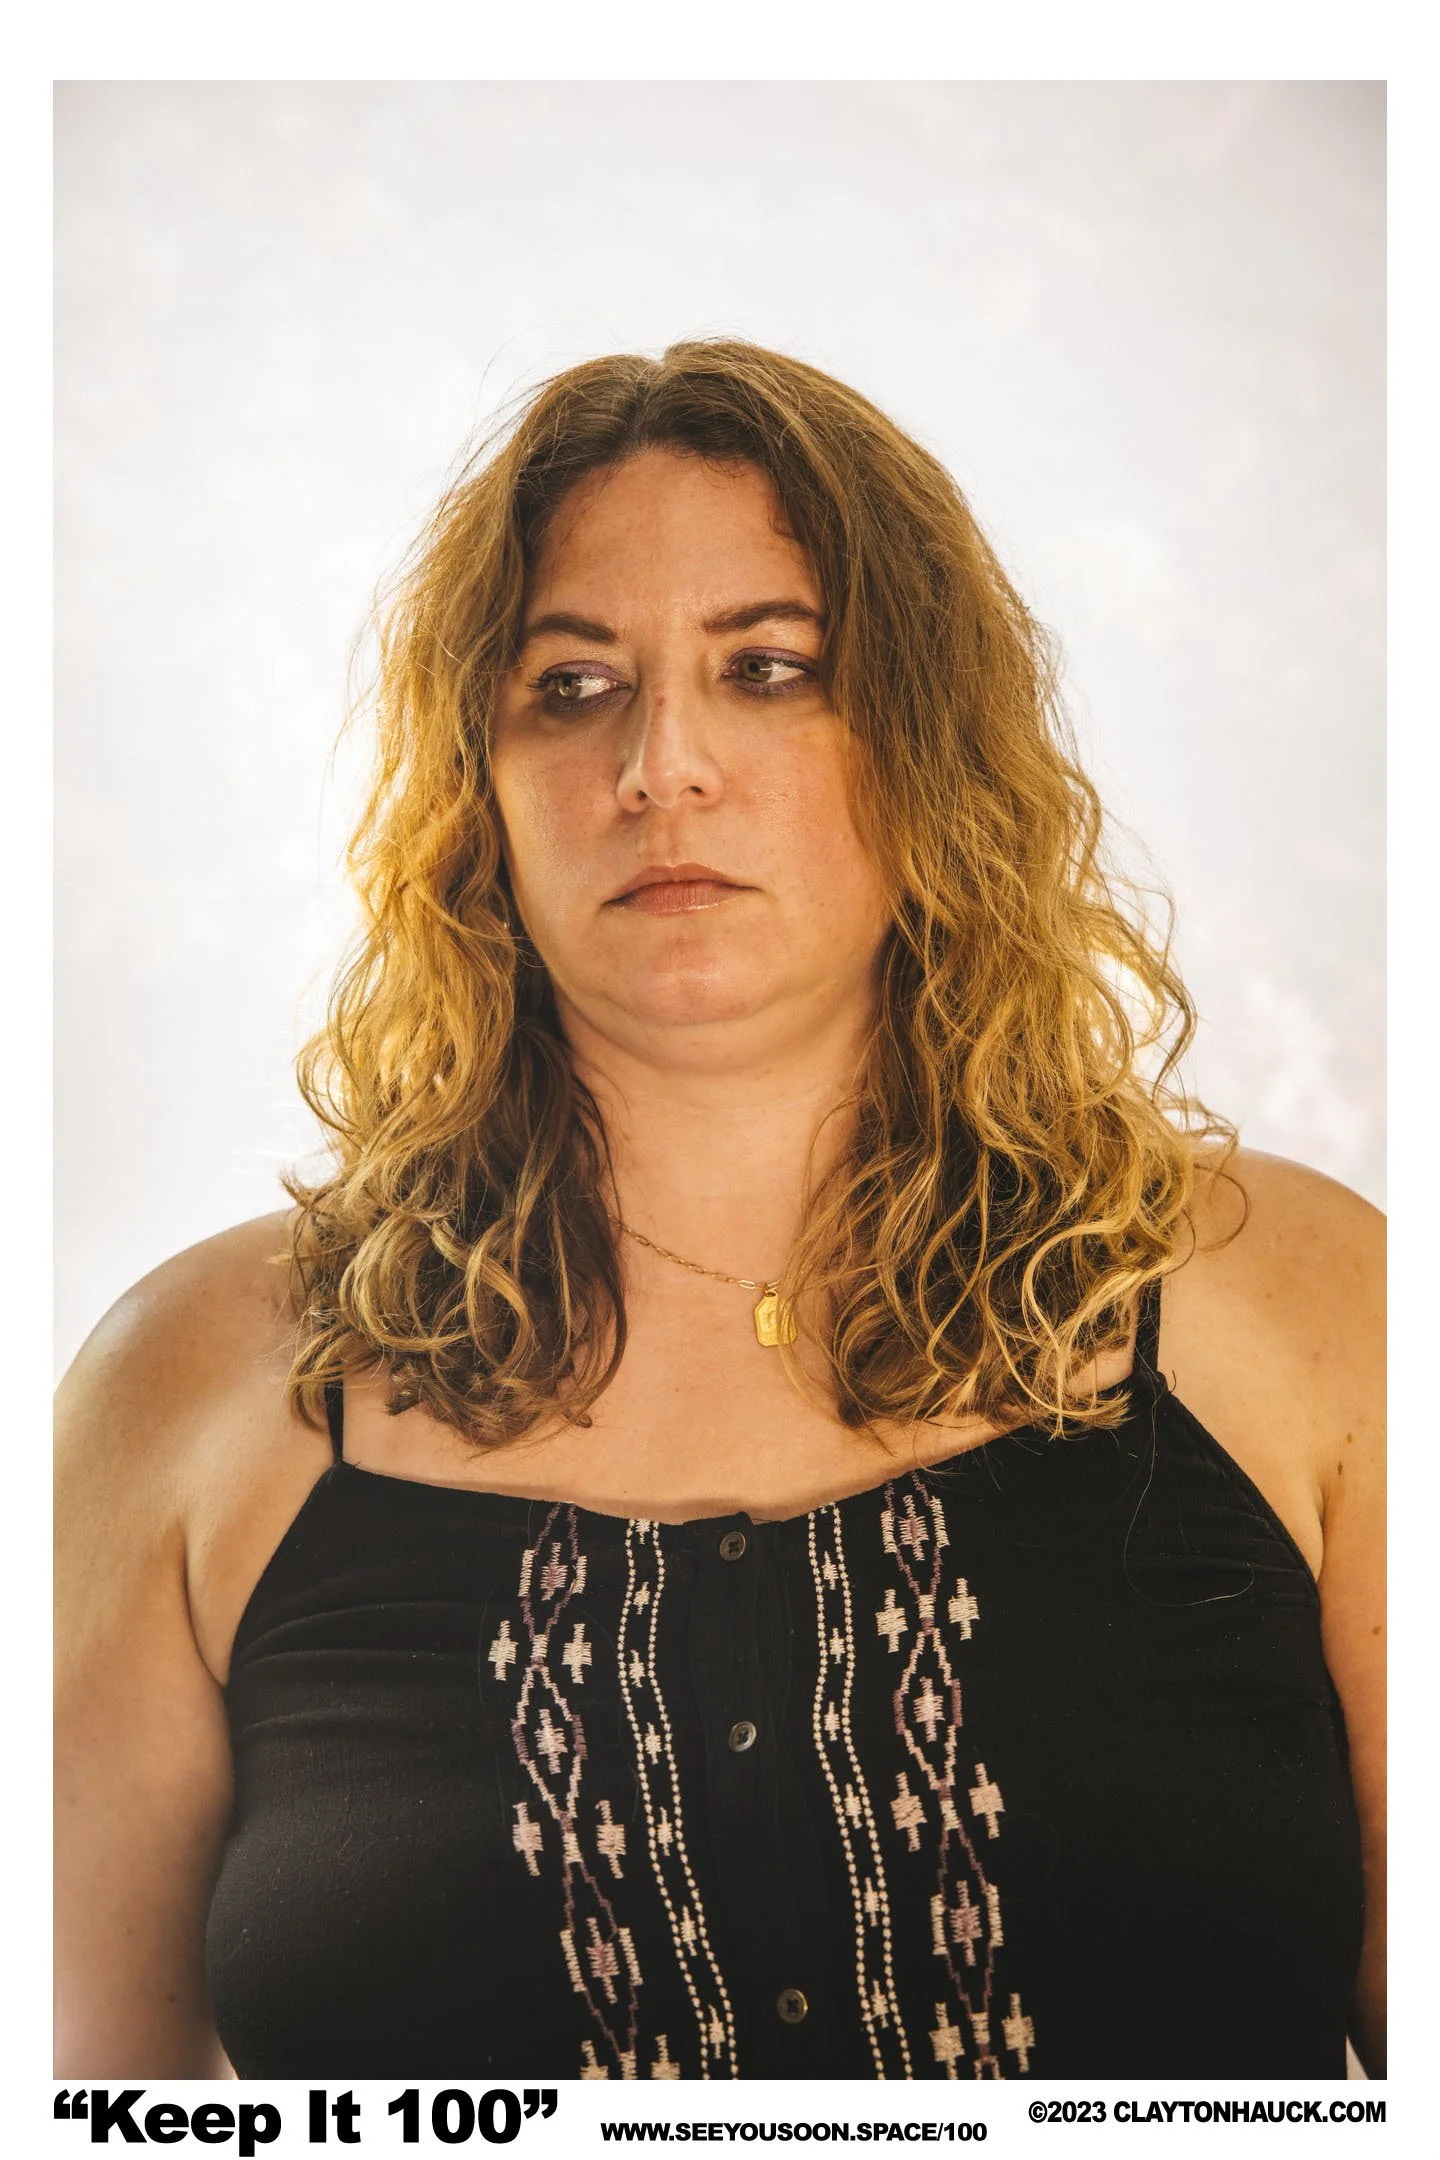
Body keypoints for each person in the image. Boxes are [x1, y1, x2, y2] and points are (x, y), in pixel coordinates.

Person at [55, 340, 1384, 2084]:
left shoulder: (1308, 1307)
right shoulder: (193, 1388)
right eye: (571, 686)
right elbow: (97, 2107)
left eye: (770, 668)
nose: (661, 763)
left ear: (931, 743)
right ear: (476, 790)